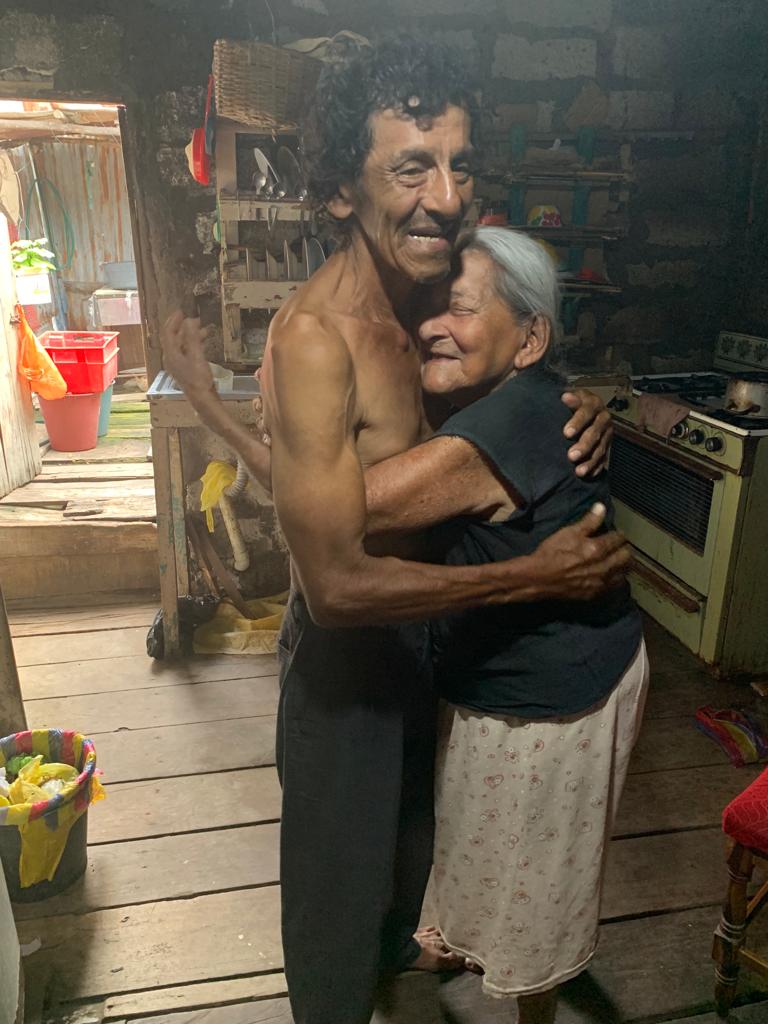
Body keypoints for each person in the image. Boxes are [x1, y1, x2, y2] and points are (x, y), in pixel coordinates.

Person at [161, 38, 628, 1024]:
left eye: (459, 165)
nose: (447, 197)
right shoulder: (314, 342)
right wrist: (534, 576)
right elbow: (336, 586)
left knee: (413, 866)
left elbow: (515, 343)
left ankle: (397, 958)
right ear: (341, 190)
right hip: (348, 668)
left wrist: (572, 396)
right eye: (412, 168)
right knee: (334, 910)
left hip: (436, 646)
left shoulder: (432, 286)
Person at [362, 226, 648, 1024]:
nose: (430, 326)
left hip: (555, 696)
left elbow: (346, 509)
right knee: (499, 855)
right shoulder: (513, 400)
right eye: (426, 308)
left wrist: (243, 421)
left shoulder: (510, 421)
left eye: (459, 308)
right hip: (531, 673)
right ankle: (474, 951)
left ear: (529, 340)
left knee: (535, 886)